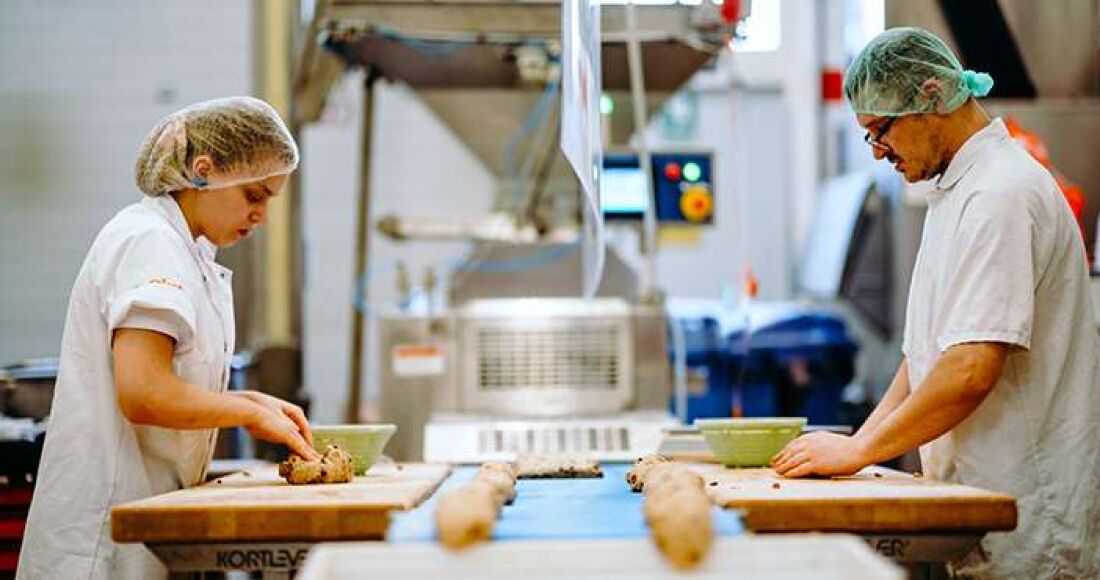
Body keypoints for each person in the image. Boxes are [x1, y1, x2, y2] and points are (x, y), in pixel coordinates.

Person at [771, 27, 1100, 578]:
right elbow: (924, 357)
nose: (879, 154)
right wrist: (860, 444)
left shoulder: (1001, 193)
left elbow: (971, 368)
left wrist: (861, 452)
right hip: (980, 504)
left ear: (929, 97)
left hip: (1033, 522)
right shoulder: (956, 193)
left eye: (881, 131)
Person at [17, 96, 322, 580]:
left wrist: (253, 402)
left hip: (144, 524)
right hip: (102, 541)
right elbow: (143, 393)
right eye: (255, 195)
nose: (261, 215)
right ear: (204, 171)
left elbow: (169, 382)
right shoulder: (148, 242)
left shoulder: (186, 253)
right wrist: (246, 414)